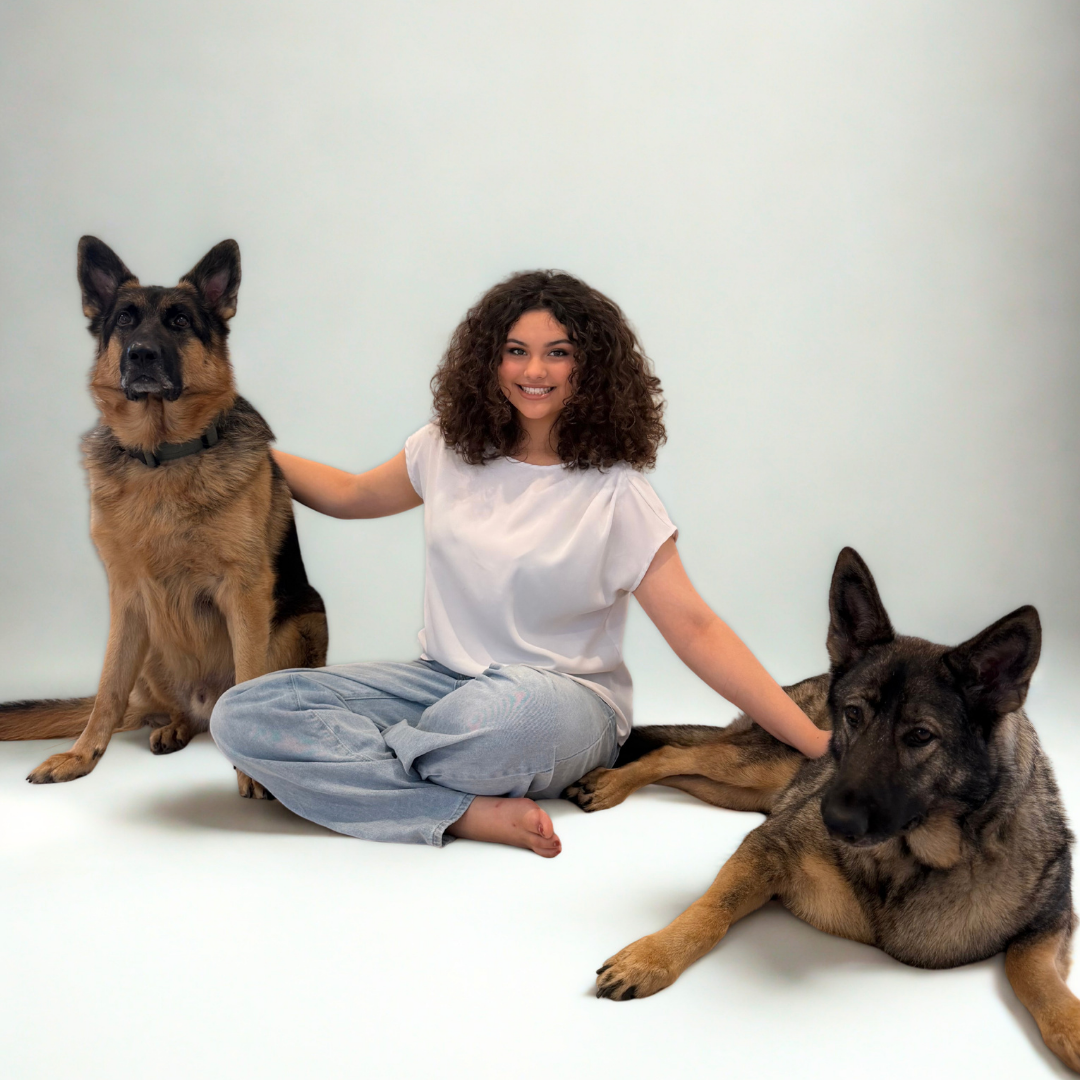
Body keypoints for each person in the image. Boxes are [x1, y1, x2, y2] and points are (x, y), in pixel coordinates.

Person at [210, 271, 830, 857]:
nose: (534, 371)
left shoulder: (618, 495)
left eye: (558, 353)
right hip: (441, 685)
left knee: (501, 718)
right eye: (516, 351)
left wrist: (811, 739)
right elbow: (349, 495)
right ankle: (459, 809)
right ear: (490, 360)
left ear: (591, 368)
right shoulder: (445, 449)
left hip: (558, 704)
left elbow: (697, 629)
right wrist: (231, 448)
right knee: (243, 714)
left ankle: (367, 767)